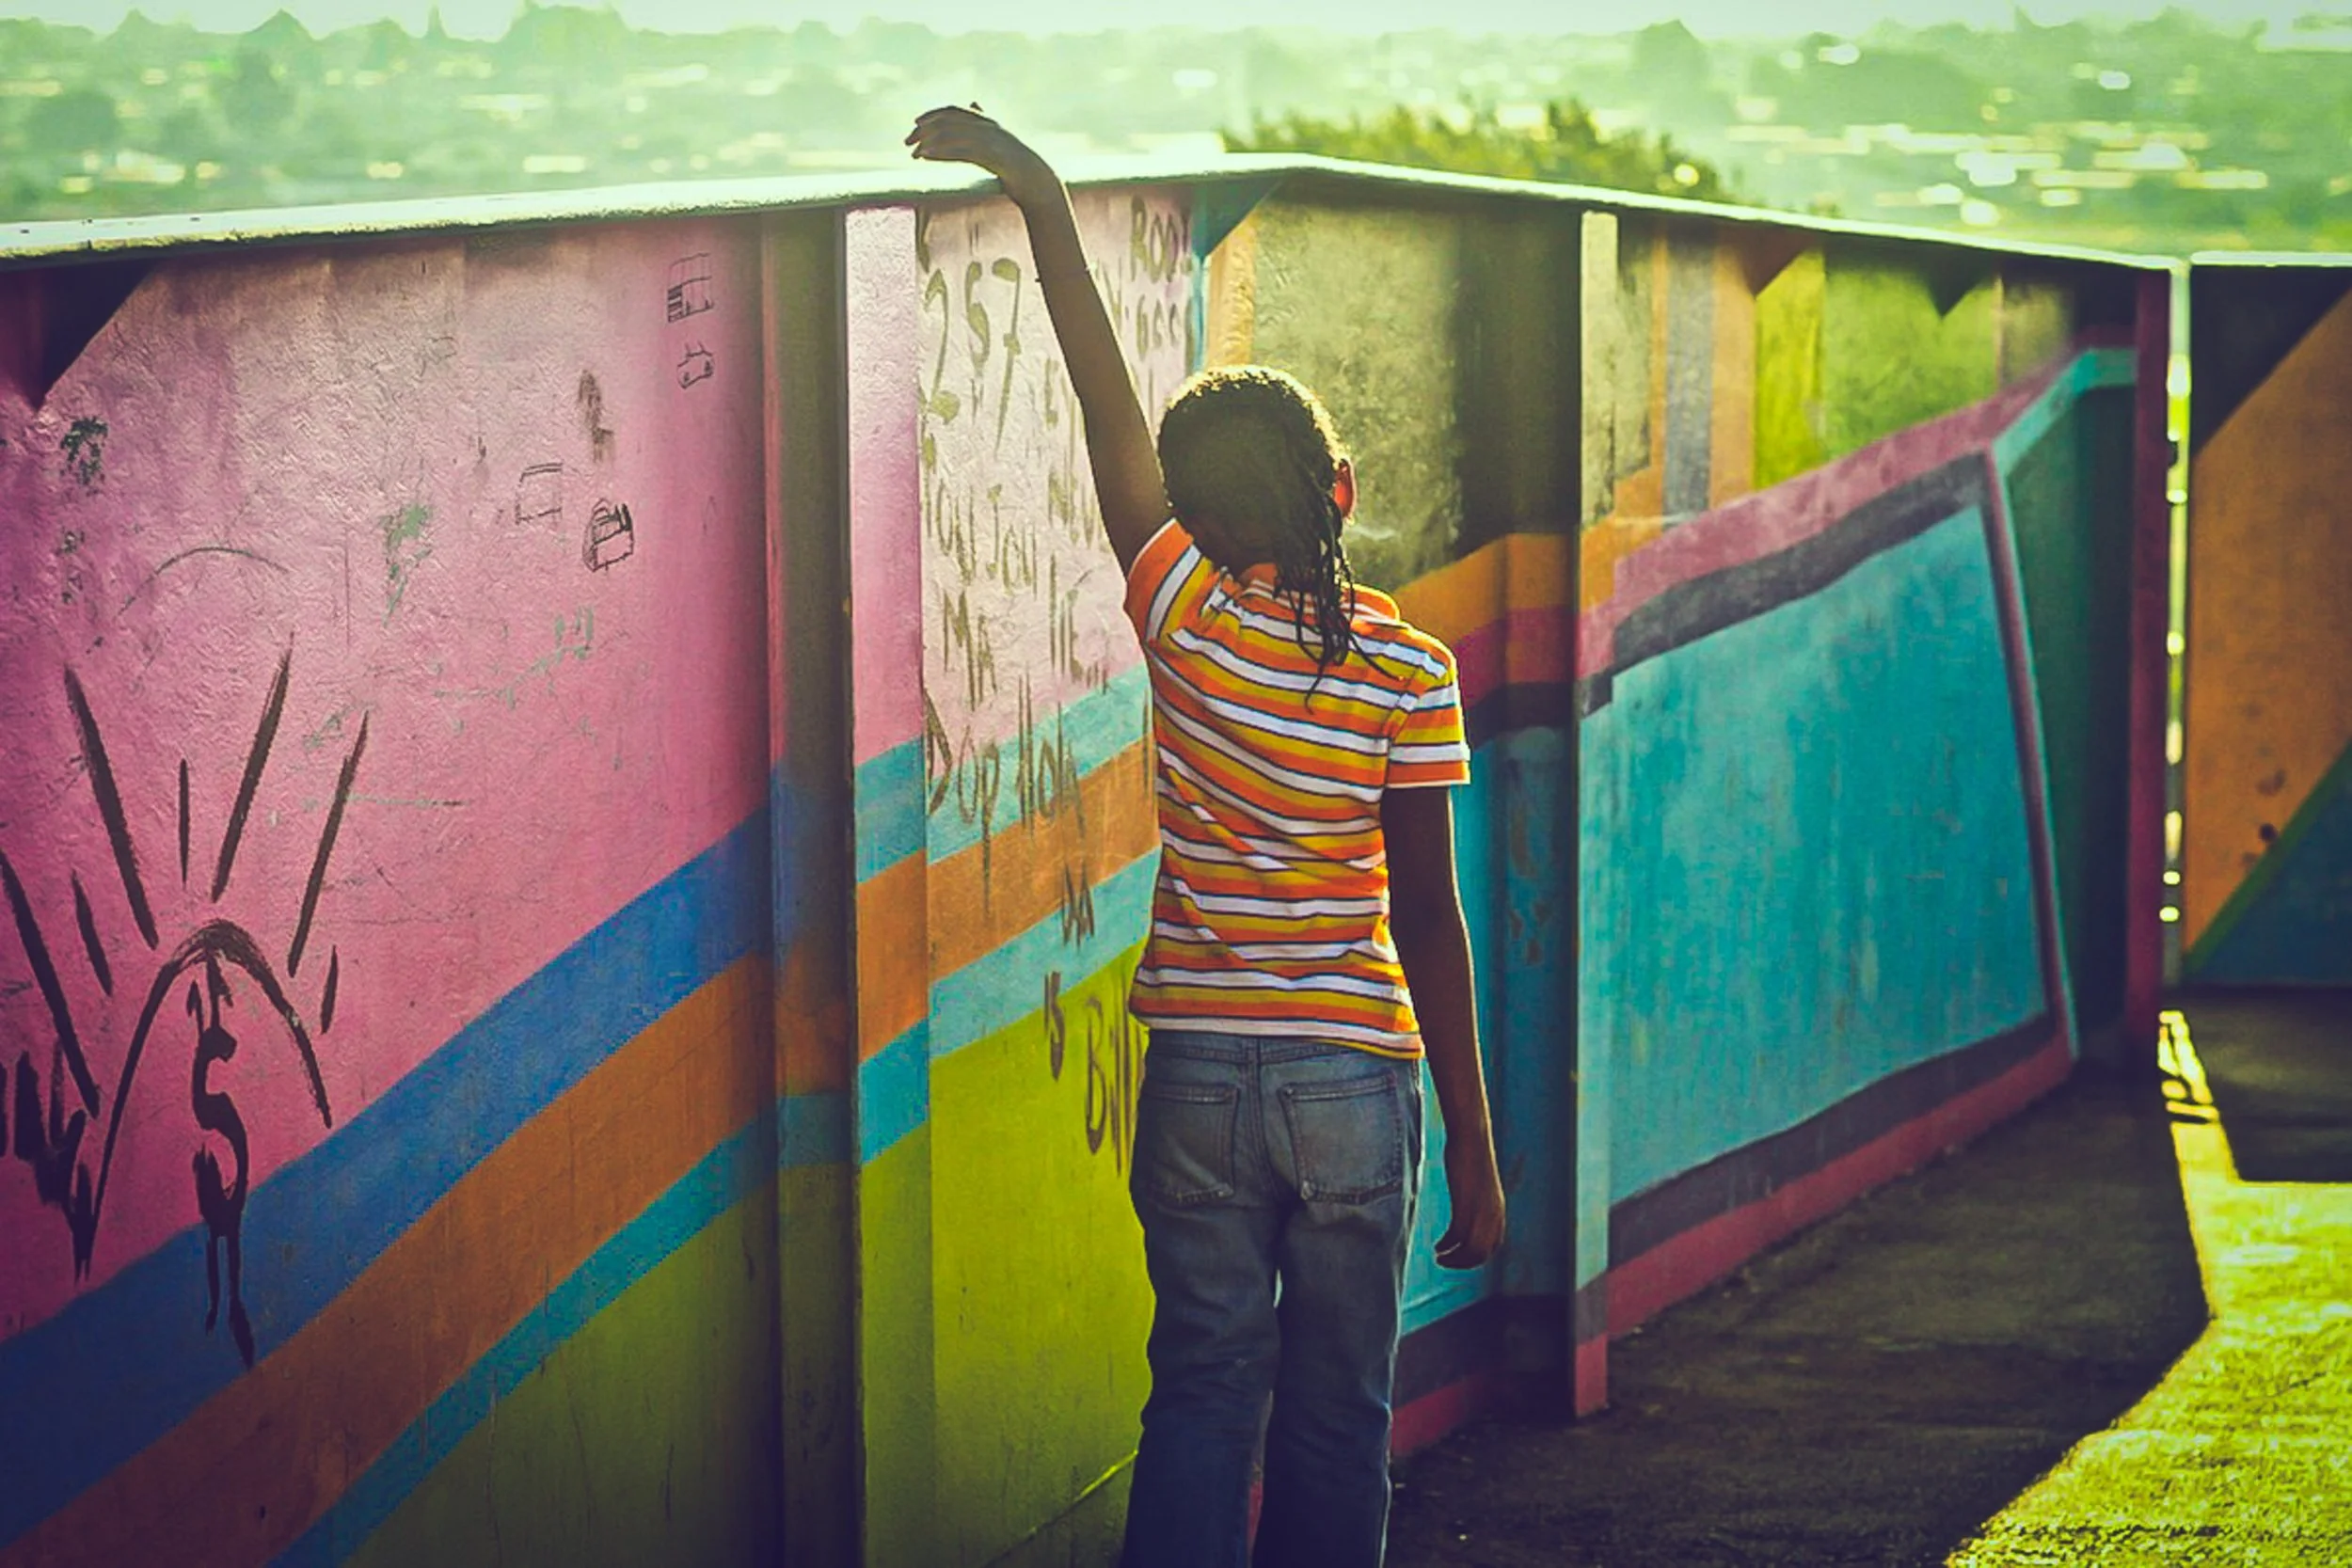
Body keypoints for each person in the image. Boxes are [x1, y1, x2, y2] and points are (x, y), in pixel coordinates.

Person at [906, 106, 1506, 1568]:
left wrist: (1035, 187)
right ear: (1341, 494)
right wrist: (1478, 1154)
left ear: (1180, 514)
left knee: (1202, 1395)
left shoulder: (1177, 609)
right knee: (1336, 1412)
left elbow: (1099, 390)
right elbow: (1428, 917)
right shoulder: (1408, 678)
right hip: (1355, 1081)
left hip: (1196, 1079)